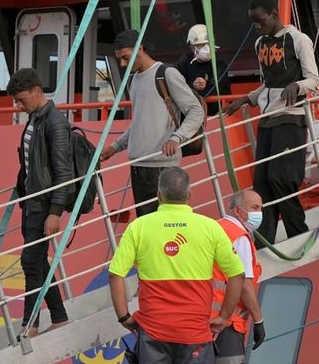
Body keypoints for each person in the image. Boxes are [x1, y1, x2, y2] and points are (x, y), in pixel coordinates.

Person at [109, 167, 245, 364]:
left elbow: (115, 275)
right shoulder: (210, 227)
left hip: (153, 335)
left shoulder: (138, 227)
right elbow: (237, 275)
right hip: (196, 335)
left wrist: (124, 317)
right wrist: (224, 317)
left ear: (158, 195)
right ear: (190, 194)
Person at [224, 0, 319, 246]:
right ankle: (264, 241)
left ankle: (297, 233)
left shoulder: (299, 40)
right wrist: (247, 98)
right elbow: (268, 84)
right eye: (254, 22)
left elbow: (314, 80)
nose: (257, 26)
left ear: (274, 15)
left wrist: (297, 87)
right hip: (267, 118)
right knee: (262, 182)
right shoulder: (260, 44)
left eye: (261, 20)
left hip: (291, 117)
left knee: (282, 177)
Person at [101, 30, 205, 217]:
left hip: (163, 166)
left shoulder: (166, 73)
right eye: (120, 60)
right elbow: (140, 122)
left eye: (126, 57)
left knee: (166, 223)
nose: (123, 64)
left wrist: (176, 138)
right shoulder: (134, 80)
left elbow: (195, 111)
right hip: (139, 166)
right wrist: (115, 147)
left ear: (140, 49)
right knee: (148, 223)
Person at [7, 68, 71, 336]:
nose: (19, 106)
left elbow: (63, 171)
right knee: (37, 261)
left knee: (31, 261)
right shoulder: (35, 118)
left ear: (36, 90)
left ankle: (30, 324)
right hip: (31, 203)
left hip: (44, 205)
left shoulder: (54, 121)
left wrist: (55, 211)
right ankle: (59, 316)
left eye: (22, 99)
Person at [212, 190, 267, 363]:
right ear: (237, 211)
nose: (259, 213)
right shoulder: (239, 237)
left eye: (261, 208)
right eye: (255, 208)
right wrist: (259, 321)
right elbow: (243, 285)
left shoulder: (215, 228)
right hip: (227, 322)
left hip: (201, 318)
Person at [177, 24, 232, 115]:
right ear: (192, 47)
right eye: (201, 45)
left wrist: (199, 88)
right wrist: (193, 86)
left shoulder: (219, 62)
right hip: (191, 114)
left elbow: (214, 89)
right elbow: (178, 88)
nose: (207, 48)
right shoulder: (184, 62)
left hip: (218, 114)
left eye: (209, 44)